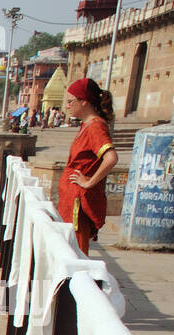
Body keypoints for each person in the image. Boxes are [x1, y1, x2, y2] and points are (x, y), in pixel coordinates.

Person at [60, 77, 118, 255]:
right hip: (70, 200)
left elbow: (111, 158)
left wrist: (89, 182)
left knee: (76, 251)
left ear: (84, 101)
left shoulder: (95, 127)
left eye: (71, 101)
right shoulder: (86, 125)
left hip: (78, 203)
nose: (67, 106)